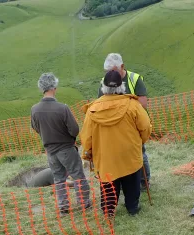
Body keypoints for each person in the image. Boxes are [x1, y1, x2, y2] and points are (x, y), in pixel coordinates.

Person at [81, 70, 151, 216]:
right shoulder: (133, 105)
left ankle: (108, 210)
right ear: (121, 87)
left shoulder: (92, 110)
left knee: (108, 185)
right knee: (132, 181)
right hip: (130, 155)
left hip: (105, 157)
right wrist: (140, 142)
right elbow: (145, 127)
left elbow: (87, 137)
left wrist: (88, 153)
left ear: (103, 87)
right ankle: (132, 207)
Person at [31, 72, 91, 214]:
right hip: (66, 148)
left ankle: (63, 206)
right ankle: (84, 203)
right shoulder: (62, 108)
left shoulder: (35, 109)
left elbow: (35, 127)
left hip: (50, 151)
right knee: (78, 175)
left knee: (58, 179)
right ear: (54, 87)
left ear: (42, 88)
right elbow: (75, 130)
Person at [99, 53, 151, 188]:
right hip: (113, 126)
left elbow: (143, 103)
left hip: (133, 124)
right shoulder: (105, 81)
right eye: (107, 71)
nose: (110, 73)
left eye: (113, 70)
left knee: (139, 153)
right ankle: (124, 183)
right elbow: (100, 103)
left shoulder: (134, 79)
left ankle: (144, 181)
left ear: (122, 66)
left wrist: (125, 110)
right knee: (118, 155)